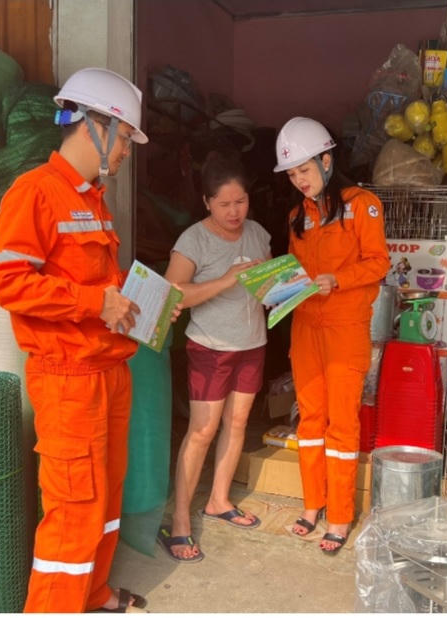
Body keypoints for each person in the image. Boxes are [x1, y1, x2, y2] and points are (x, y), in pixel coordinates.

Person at [0, 67, 180, 613]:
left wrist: (141, 299)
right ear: (92, 125)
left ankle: (93, 593)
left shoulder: (92, 199)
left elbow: (97, 282)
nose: (124, 153)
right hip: (69, 381)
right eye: (122, 139)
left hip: (107, 373)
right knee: (74, 509)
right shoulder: (35, 194)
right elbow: (7, 281)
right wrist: (98, 303)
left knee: (105, 501)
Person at [273, 117, 390, 554]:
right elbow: (293, 270)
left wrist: (335, 280)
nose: (298, 181)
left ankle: (339, 515)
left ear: (326, 160)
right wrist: (275, 288)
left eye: (303, 170)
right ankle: (311, 505)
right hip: (305, 326)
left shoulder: (362, 205)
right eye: (291, 175)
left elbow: (378, 263)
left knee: (342, 424)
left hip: (345, 328)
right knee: (309, 419)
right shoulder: (295, 217)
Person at [157, 151, 270, 562]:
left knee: (237, 423)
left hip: (252, 343)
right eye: (224, 204)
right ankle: (181, 521)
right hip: (210, 347)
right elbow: (173, 292)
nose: (234, 211)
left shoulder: (257, 232)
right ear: (206, 202)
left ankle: (219, 500)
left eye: (240, 202)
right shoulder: (194, 240)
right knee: (202, 431)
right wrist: (226, 280)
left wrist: (280, 285)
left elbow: (265, 281)